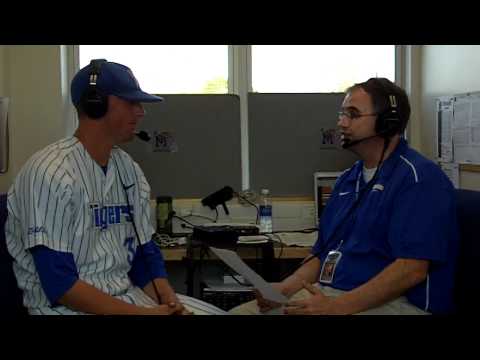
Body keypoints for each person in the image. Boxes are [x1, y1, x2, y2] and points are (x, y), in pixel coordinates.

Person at [5, 59, 226, 315]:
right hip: (68, 310)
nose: (141, 112)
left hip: (127, 300)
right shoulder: (49, 172)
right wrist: (145, 314)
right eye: (131, 103)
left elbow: (144, 257)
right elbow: (59, 284)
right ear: (95, 104)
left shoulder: (127, 168)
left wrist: (170, 303)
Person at [230, 77, 458, 315]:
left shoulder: (418, 178)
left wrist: (337, 307)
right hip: (336, 295)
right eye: (341, 114)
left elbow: (411, 269)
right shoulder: (347, 181)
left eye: (352, 114)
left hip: (400, 303)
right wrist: (285, 288)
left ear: (387, 123)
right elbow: (322, 253)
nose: (341, 122)